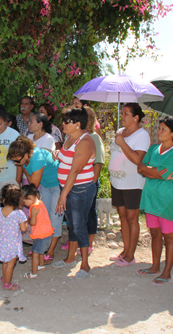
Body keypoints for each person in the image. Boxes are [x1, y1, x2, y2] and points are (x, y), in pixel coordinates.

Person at [136, 117, 173, 285]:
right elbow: (140, 168)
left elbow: (157, 172)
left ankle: (167, 271)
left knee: (169, 237)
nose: (159, 131)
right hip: (151, 198)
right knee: (155, 234)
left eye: (164, 129)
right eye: (159, 128)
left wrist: (153, 171)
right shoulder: (154, 148)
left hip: (167, 200)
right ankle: (155, 266)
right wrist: (155, 171)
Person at [52, 107, 96, 279]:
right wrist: (58, 154)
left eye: (66, 121)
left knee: (79, 225)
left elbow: (75, 171)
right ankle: (70, 258)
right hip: (68, 188)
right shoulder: (70, 137)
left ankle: (84, 265)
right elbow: (66, 159)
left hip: (80, 189)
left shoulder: (85, 142)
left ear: (78, 124)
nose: (62, 124)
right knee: (72, 224)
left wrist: (63, 195)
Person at [108, 103, 150, 266]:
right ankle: (125, 250)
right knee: (123, 217)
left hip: (132, 182)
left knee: (132, 218)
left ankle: (130, 255)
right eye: (122, 113)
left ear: (136, 117)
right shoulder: (120, 132)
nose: (122, 116)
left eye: (126, 113)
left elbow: (137, 159)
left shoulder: (142, 135)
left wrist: (123, 143)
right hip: (117, 181)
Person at [7, 136, 60, 263]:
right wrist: (22, 163)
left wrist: (22, 166)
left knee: (54, 218)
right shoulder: (25, 159)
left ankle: (50, 251)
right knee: (43, 219)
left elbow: (33, 185)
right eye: (14, 161)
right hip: (46, 186)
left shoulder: (37, 158)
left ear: (26, 155)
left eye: (17, 160)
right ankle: (40, 248)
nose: (16, 163)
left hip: (57, 185)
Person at [0, 109, 20, 250]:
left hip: (9, 179)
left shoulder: (14, 135)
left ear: (6, 122)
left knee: (11, 212)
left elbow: (20, 159)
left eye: (0, 124)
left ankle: (10, 240)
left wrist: (17, 181)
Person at [0, 184, 27, 291]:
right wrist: (25, 223)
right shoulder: (19, 214)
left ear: (3, 199)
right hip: (13, 244)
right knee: (11, 264)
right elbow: (24, 229)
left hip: (2, 242)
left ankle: (4, 277)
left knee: (5, 262)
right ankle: (7, 283)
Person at [83, 106, 105, 254]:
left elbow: (98, 162)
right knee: (77, 213)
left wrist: (92, 182)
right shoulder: (75, 137)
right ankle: (77, 241)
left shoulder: (95, 137)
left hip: (89, 181)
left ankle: (89, 243)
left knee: (90, 212)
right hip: (77, 181)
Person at [21, 184, 54, 279]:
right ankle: (41, 265)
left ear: (30, 198)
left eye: (24, 202)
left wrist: (28, 220)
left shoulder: (33, 208)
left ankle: (33, 273)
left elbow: (33, 222)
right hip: (48, 234)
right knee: (41, 252)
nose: (24, 204)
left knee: (35, 254)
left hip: (40, 235)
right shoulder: (40, 203)